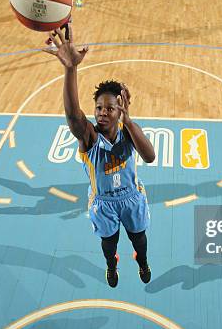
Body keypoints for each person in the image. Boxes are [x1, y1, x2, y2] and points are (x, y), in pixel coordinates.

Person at [44, 25, 155, 288]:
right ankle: (111, 264)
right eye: (99, 107)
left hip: (131, 196)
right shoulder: (89, 137)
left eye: (110, 108)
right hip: (103, 202)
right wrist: (71, 69)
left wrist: (129, 120)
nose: (103, 112)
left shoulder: (129, 132)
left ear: (120, 111)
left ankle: (142, 261)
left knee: (139, 238)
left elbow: (149, 156)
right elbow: (73, 116)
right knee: (109, 243)